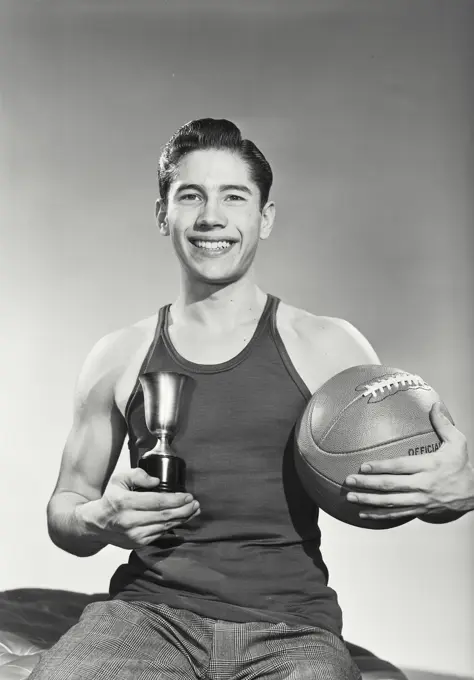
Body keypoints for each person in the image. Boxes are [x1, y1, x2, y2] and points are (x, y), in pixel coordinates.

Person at [30, 119, 474, 680]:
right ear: (162, 213)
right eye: (190, 195)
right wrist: (100, 521)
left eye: (233, 197)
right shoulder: (117, 356)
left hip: (292, 630)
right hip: (145, 619)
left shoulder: (329, 345)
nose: (210, 216)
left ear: (264, 218)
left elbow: (415, 483)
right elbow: (65, 507)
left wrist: (456, 492)